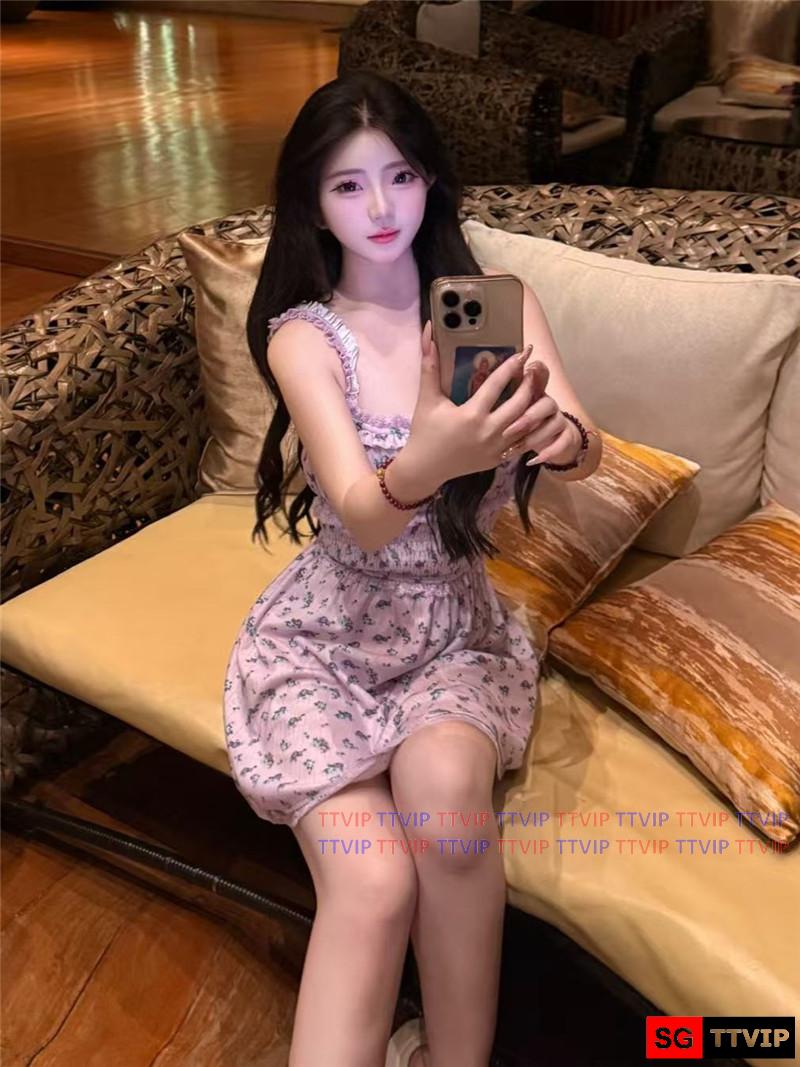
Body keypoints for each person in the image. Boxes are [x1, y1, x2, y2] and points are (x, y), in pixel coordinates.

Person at [223, 70, 602, 1067]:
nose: (382, 207)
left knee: (448, 807)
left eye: (399, 176)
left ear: (430, 180)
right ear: (313, 203)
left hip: (451, 632)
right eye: (349, 186)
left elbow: (582, 442)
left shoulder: (490, 307)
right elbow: (360, 512)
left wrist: (558, 438)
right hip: (329, 637)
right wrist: (431, 456)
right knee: (374, 880)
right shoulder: (305, 336)